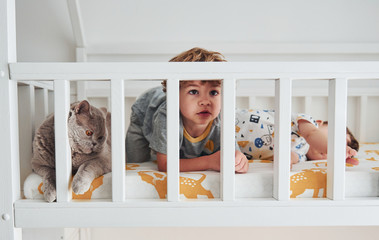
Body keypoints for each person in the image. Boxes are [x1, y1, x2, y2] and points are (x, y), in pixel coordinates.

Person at [125, 47, 249, 173]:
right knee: (136, 163)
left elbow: (233, 154)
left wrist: (239, 160)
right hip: (144, 114)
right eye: (194, 91)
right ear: (174, 95)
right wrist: (209, 161)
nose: (205, 101)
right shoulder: (167, 116)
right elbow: (165, 164)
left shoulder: (223, 117)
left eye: (213, 92)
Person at [235, 109, 360, 166]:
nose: (331, 144)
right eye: (335, 138)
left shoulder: (301, 156)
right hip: (229, 119)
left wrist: (286, 159)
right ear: (319, 122)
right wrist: (336, 150)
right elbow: (311, 134)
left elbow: (288, 157)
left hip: (226, 145)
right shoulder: (305, 124)